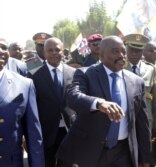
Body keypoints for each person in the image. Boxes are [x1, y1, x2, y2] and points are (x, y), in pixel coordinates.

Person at [56, 36, 151, 167]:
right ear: (101, 55)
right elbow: (73, 96)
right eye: (115, 51)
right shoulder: (85, 74)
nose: (121, 55)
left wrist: (144, 157)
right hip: (91, 151)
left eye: (123, 51)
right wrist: (99, 103)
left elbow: (141, 122)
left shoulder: (136, 81)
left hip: (123, 152)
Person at [29, 37, 76, 167]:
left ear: (63, 52)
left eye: (57, 49)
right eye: (50, 50)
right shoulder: (34, 74)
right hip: (46, 132)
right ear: (44, 53)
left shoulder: (73, 72)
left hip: (69, 130)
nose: (54, 53)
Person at [0, 37, 44, 167]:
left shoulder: (25, 66)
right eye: (16, 49)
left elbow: (33, 133)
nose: (19, 51)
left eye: (3, 47)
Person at [123, 34, 156, 147]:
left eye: (138, 50)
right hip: (126, 120)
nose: (134, 54)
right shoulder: (119, 68)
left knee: (146, 156)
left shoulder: (150, 69)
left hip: (146, 120)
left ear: (143, 51)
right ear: (126, 49)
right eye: (131, 50)